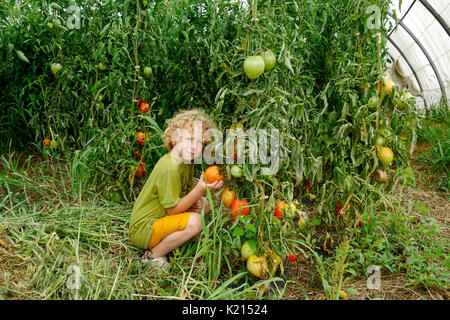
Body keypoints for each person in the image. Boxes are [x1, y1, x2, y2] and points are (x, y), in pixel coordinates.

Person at [129, 109, 223, 270]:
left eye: (200, 142)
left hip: (161, 219)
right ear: (175, 138)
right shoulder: (170, 168)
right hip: (144, 229)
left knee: (205, 205)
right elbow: (173, 210)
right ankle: (152, 256)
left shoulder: (186, 160)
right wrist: (198, 191)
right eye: (189, 139)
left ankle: (174, 240)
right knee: (195, 222)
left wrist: (197, 200)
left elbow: (183, 193)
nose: (194, 146)